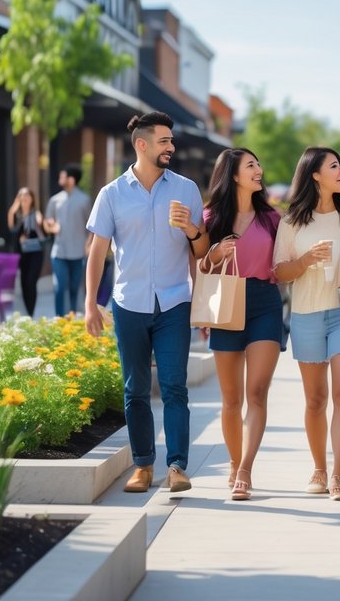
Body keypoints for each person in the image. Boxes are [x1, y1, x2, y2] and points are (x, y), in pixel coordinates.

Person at [85, 112, 209, 494]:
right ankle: (142, 466)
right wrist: (91, 304)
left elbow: (201, 249)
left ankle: (176, 467)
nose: (171, 147)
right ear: (142, 144)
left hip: (174, 301)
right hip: (129, 304)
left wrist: (191, 229)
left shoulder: (186, 189)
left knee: (174, 387)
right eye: (164, 141)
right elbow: (97, 252)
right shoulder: (112, 194)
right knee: (135, 389)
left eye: (171, 141)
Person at [273, 147, 340, 502]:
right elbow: (279, 272)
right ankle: (318, 467)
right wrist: (306, 261)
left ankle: (339, 476)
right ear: (315, 174)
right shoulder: (292, 221)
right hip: (307, 314)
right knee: (315, 399)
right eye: (334, 166)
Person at [202, 147, 285, 501]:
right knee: (232, 399)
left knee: (256, 393)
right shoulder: (210, 217)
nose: (259, 169)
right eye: (251, 165)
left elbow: (284, 263)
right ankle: (235, 463)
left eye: (258, 163)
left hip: (265, 302)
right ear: (233, 174)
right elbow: (200, 267)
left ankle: (246, 469)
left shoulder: (273, 219)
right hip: (225, 303)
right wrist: (214, 253)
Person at [45, 164, 93, 316]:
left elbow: (92, 226)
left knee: (74, 287)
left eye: (63, 176)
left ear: (71, 180)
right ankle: (59, 317)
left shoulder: (85, 200)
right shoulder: (54, 200)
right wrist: (52, 228)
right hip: (58, 251)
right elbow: (47, 224)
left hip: (78, 252)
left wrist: (88, 245)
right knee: (59, 286)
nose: (60, 179)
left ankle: (72, 316)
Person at [7, 187, 46, 317]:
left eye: (27, 195)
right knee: (24, 283)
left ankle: (31, 313)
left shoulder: (36, 213)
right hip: (22, 255)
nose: (24, 198)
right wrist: (15, 206)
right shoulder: (17, 216)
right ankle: (28, 313)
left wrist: (43, 222)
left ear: (32, 198)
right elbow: (11, 228)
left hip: (35, 253)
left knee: (31, 281)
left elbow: (41, 224)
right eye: (21, 196)